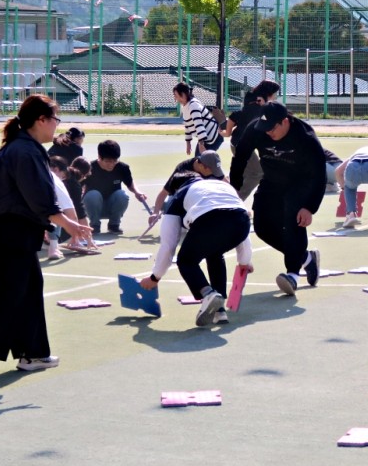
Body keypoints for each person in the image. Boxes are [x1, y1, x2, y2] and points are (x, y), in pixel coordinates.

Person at [0, 95, 91, 381]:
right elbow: (38, 195)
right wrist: (66, 222)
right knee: (10, 291)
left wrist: (48, 222)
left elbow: (30, 196)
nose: (57, 126)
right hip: (8, 230)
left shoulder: (26, 148)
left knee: (28, 287)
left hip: (15, 229)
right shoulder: (24, 151)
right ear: (41, 120)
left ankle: (33, 353)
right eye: (56, 119)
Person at [230, 102, 328, 296]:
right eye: (265, 128)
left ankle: (292, 274)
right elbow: (240, 157)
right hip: (272, 180)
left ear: (285, 121)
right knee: (262, 227)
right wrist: (233, 190)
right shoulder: (257, 129)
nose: (268, 133)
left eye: (272, 129)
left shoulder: (305, 137)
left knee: (293, 215)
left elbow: (319, 175)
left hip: (301, 181)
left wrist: (310, 207)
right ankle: (306, 258)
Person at [141, 171, 253, 326]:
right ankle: (219, 311)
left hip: (209, 220)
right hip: (242, 224)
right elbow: (237, 220)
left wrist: (155, 278)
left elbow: (168, 245)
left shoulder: (178, 197)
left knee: (186, 261)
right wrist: (244, 261)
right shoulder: (221, 186)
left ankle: (208, 294)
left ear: (175, 191)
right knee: (214, 253)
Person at [225, 80, 278, 200]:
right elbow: (235, 116)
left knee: (246, 173)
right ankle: (235, 201)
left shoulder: (254, 102)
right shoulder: (258, 105)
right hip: (240, 143)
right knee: (257, 173)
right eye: (275, 94)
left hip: (238, 142)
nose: (275, 97)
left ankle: (229, 193)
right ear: (269, 93)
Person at [82, 139, 148, 235]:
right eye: (108, 161)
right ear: (99, 157)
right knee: (93, 194)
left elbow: (129, 183)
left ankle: (114, 225)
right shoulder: (89, 168)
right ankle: (94, 225)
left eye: (115, 161)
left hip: (111, 206)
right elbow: (78, 187)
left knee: (122, 195)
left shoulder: (123, 168)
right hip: (92, 207)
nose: (111, 164)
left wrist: (137, 192)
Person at [174, 82, 223, 153]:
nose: (175, 97)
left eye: (176, 95)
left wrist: (201, 144)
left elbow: (199, 125)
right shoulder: (185, 106)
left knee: (202, 161)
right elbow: (188, 125)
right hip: (205, 138)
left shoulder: (193, 106)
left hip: (214, 136)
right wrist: (188, 143)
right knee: (200, 161)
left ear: (183, 94)